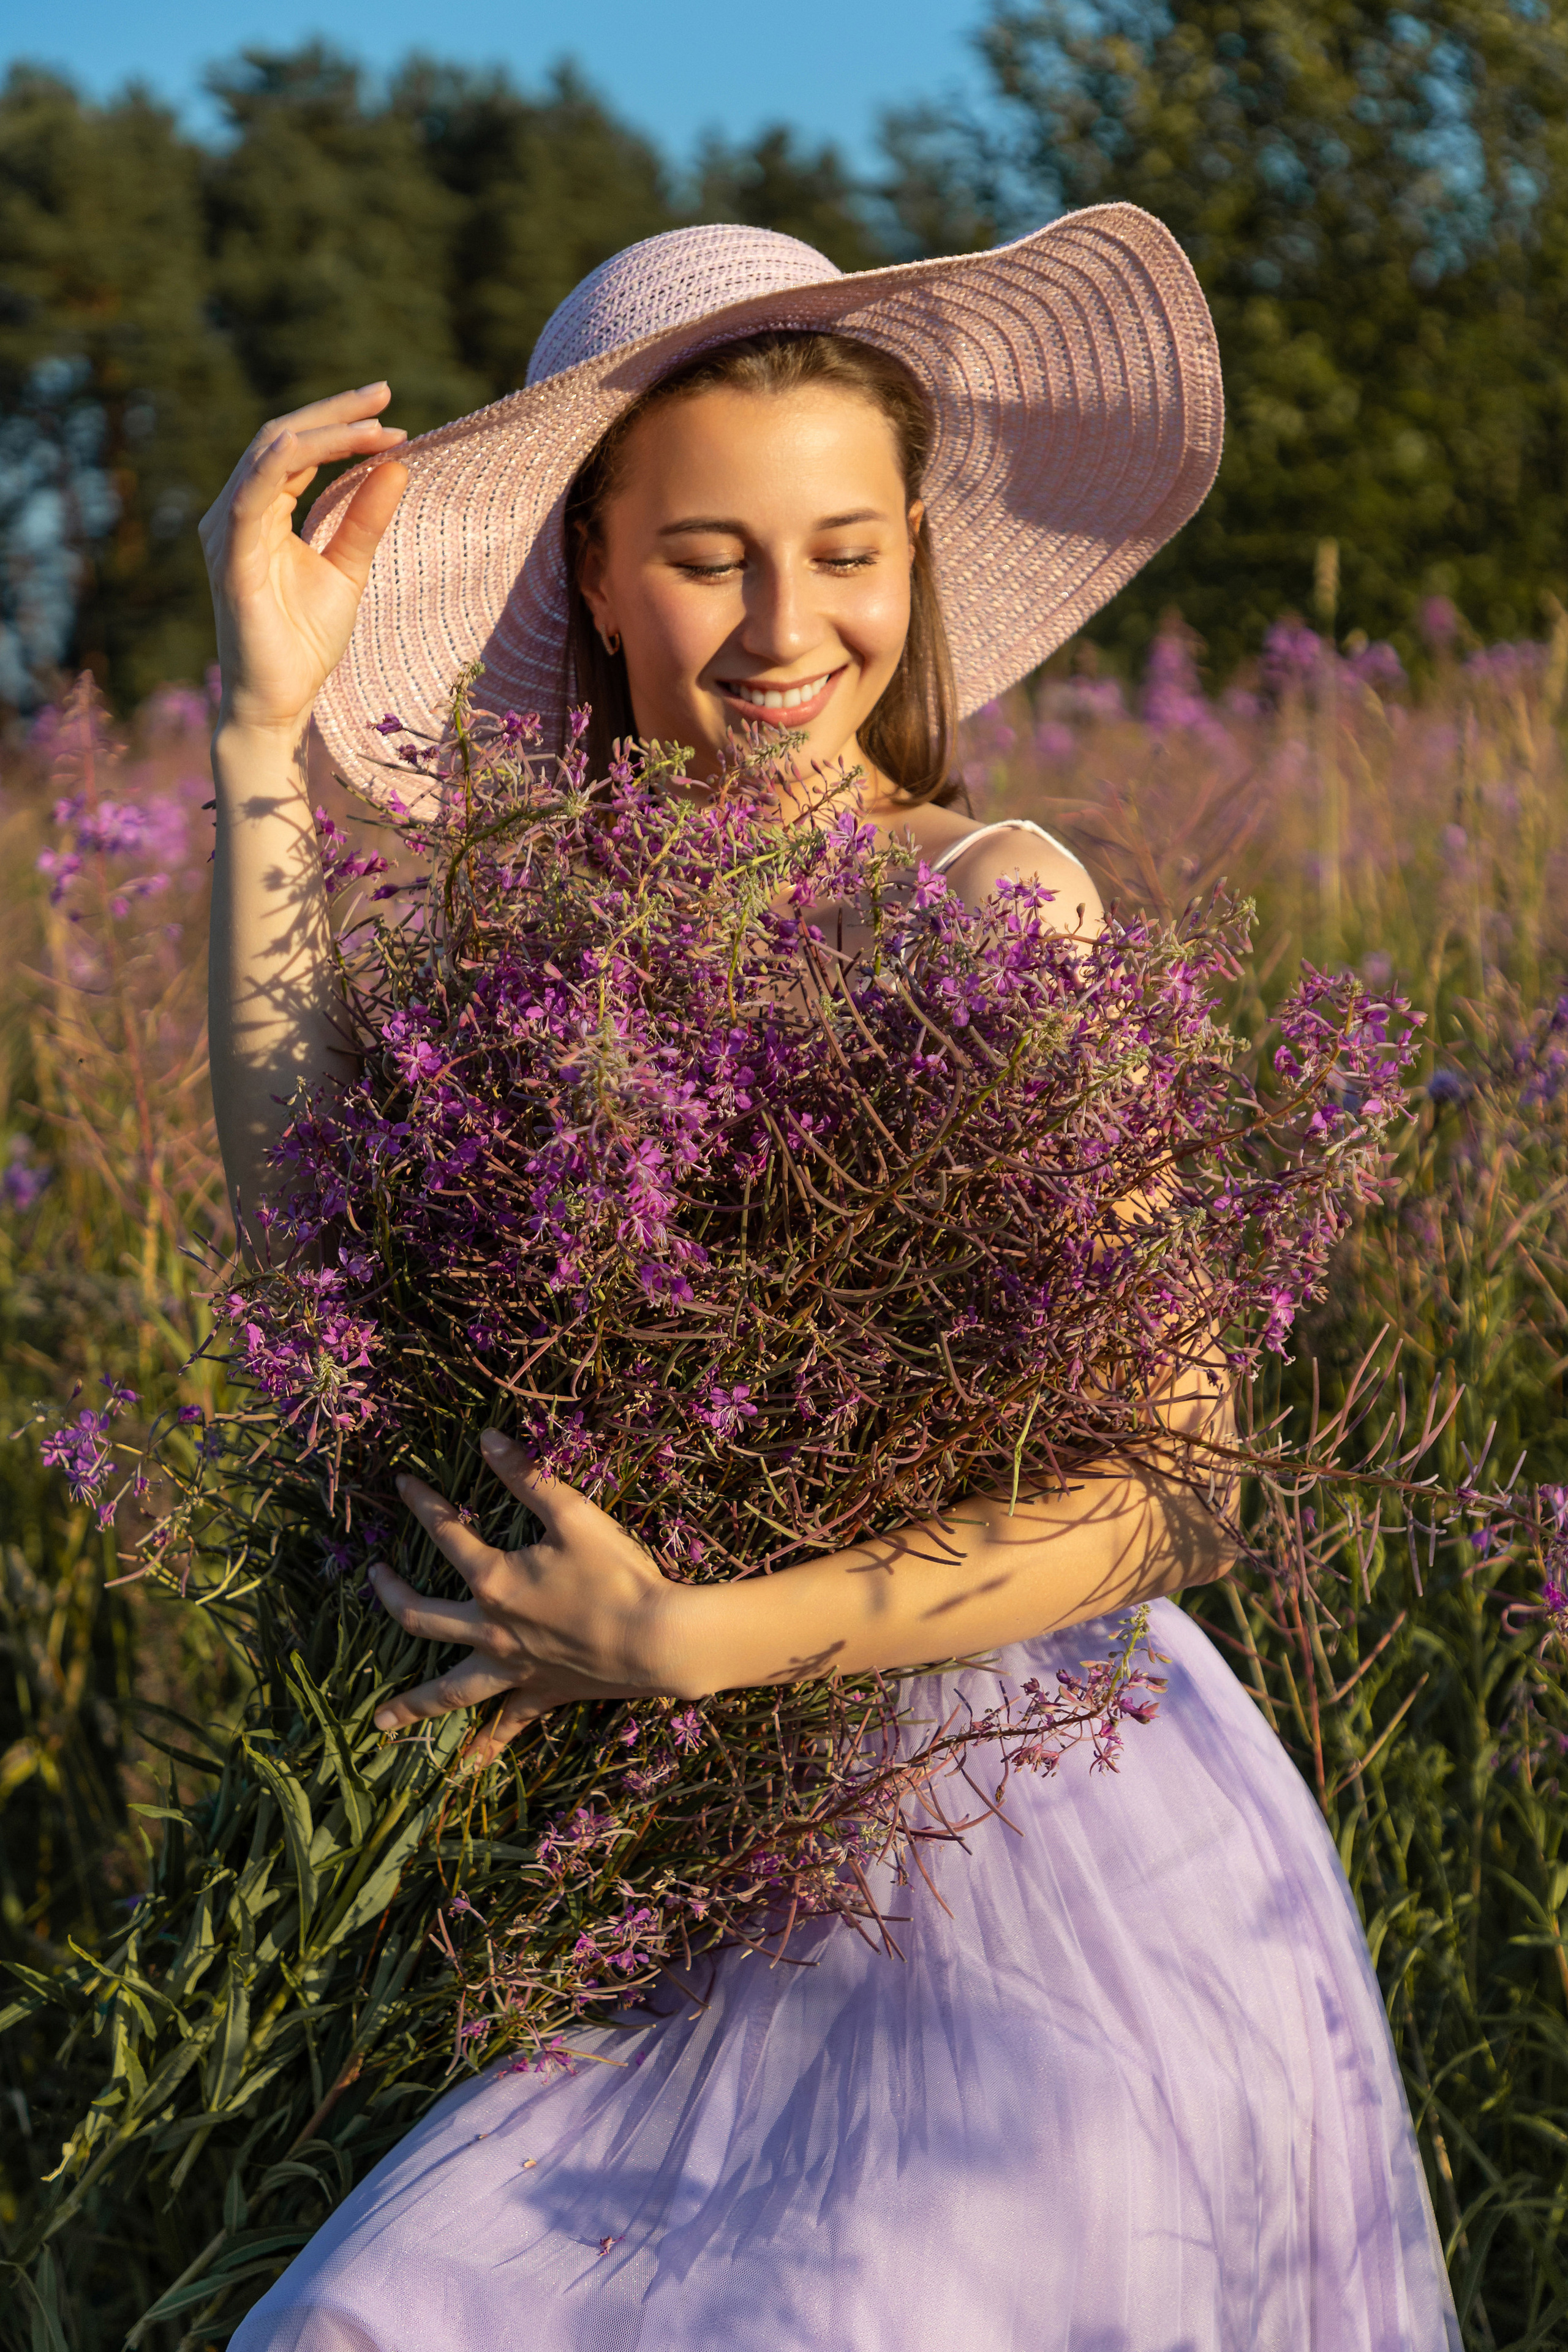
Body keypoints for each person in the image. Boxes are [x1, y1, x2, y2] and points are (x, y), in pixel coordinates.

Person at [207, 215, 1458, 2350]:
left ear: (913, 562)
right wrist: (258, 742)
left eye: (848, 550)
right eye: (710, 557)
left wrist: (701, 1638)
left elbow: (1184, 1483)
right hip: (653, 1837)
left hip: (1008, 1826)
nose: (794, 628)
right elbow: (310, 1239)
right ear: (590, 579)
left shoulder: (993, 905)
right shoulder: (536, 956)